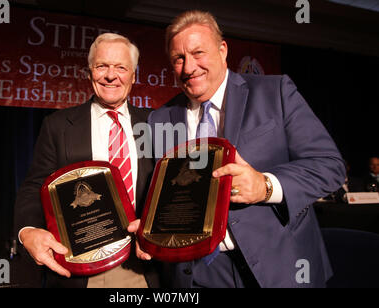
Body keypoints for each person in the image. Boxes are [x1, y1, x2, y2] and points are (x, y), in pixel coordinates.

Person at [139, 10, 345, 288]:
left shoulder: (276, 92)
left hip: (280, 268)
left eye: (198, 53)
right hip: (197, 275)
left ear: (223, 50)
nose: (189, 67)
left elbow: (329, 166)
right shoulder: (159, 118)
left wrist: (265, 185)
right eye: (179, 58)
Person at [14, 33, 157, 288]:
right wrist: (26, 232)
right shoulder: (58, 126)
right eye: (102, 66)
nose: (111, 76)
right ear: (89, 72)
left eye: (121, 67)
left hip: (144, 269)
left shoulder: (156, 124)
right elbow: (34, 186)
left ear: (133, 75)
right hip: (80, 270)